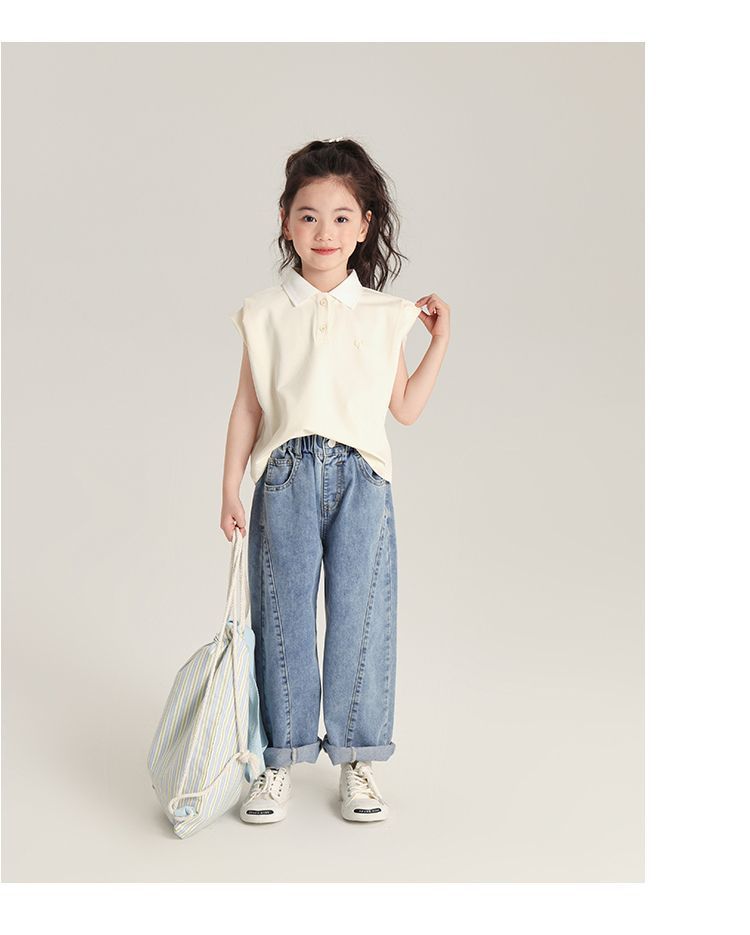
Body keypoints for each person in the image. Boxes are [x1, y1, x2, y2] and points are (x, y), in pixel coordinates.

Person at [220, 138, 450, 823]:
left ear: (365, 225)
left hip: (362, 480)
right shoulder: (264, 311)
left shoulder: (385, 315)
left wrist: (439, 342)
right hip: (284, 476)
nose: (326, 231)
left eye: (342, 217)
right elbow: (248, 407)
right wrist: (229, 487)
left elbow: (404, 408)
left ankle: (358, 762)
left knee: (363, 618)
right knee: (281, 618)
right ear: (286, 222)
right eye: (310, 215)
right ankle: (279, 762)